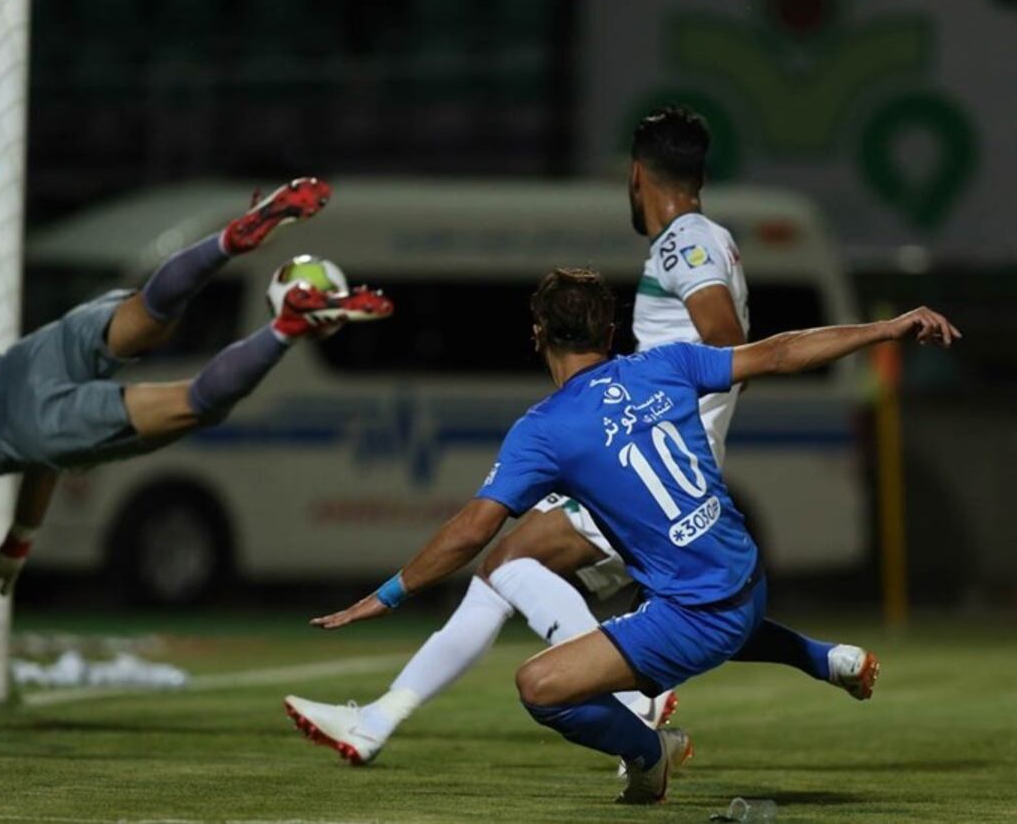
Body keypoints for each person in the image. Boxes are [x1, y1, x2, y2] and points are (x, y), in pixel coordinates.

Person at [285, 106, 867, 764]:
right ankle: (816, 659)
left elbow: (730, 346)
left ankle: (619, 702)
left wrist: (659, 423)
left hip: (639, 468)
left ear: (635, 174)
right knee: (566, 585)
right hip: (659, 466)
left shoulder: (682, 243)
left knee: (503, 564)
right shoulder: (716, 237)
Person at [300, 268, 958, 804]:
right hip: (752, 579)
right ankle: (820, 657)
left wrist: (387, 592)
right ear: (611, 330)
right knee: (665, 593)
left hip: (693, 623)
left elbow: (474, 528)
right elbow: (781, 352)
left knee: (540, 686)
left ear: (538, 335)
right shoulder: (663, 365)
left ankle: (651, 753)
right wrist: (888, 328)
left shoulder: (544, 430)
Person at [0, 177, 393, 648]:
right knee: (148, 312)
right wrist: (15, 545)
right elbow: (40, 460)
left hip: (21, 422)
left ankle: (285, 327)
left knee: (193, 402)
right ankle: (228, 239)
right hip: (25, 359)